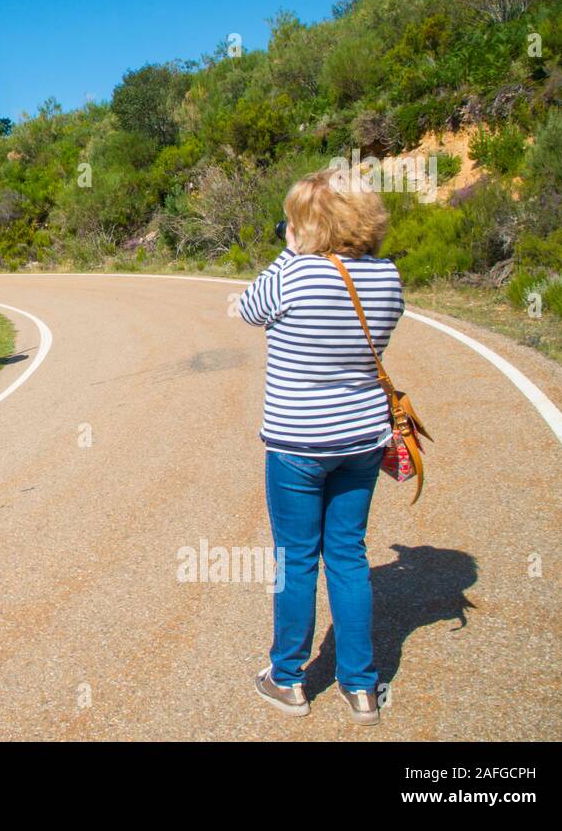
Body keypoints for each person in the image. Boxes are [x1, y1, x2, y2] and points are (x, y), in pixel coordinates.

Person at [237, 167, 404, 727]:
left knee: (296, 560)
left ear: (308, 224)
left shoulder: (293, 275)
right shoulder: (387, 277)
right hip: (361, 438)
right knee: (350, 557)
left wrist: (289, 254)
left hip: (297, 442)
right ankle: (361, 686)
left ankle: (287, 677)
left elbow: (244, 308)